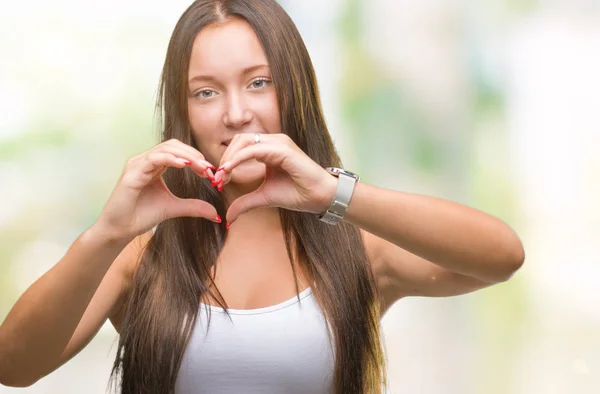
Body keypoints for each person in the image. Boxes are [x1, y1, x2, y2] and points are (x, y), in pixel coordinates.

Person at [0, 0, 525, 393]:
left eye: (258, 83)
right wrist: (108, 233)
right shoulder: (141, 258)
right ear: (184, 112)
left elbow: (501, 257)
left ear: (294, 88)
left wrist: (329, 191)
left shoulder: (356, 248)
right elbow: (13, 366)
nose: (235, 114)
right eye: (206, 92)